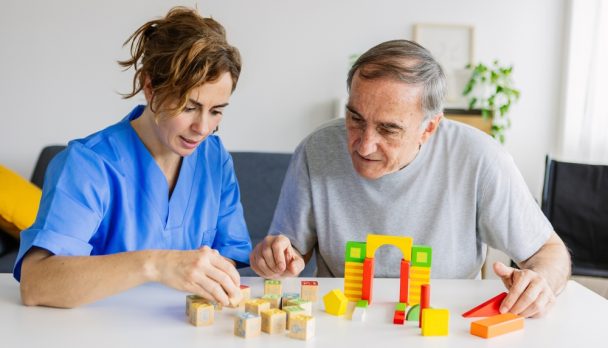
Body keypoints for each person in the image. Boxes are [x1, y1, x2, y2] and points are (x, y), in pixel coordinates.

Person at [250, 39, 571, 318]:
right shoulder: (316, 149)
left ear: (429, 128)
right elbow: (290, 251)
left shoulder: (481, 158)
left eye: (388, 128)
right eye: (355, 118)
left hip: (444, 322)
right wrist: (277, 256)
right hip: (341, 320)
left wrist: (540, 281)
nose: (364, 144)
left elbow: (549, 253)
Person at [15, 7, 252, 308]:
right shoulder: (88, 164)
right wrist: (155, 264)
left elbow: (230, 256)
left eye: (216, 111)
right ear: (150, 87)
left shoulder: (214, 159)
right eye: (189, 107)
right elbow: (36, 284)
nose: (203, 128)